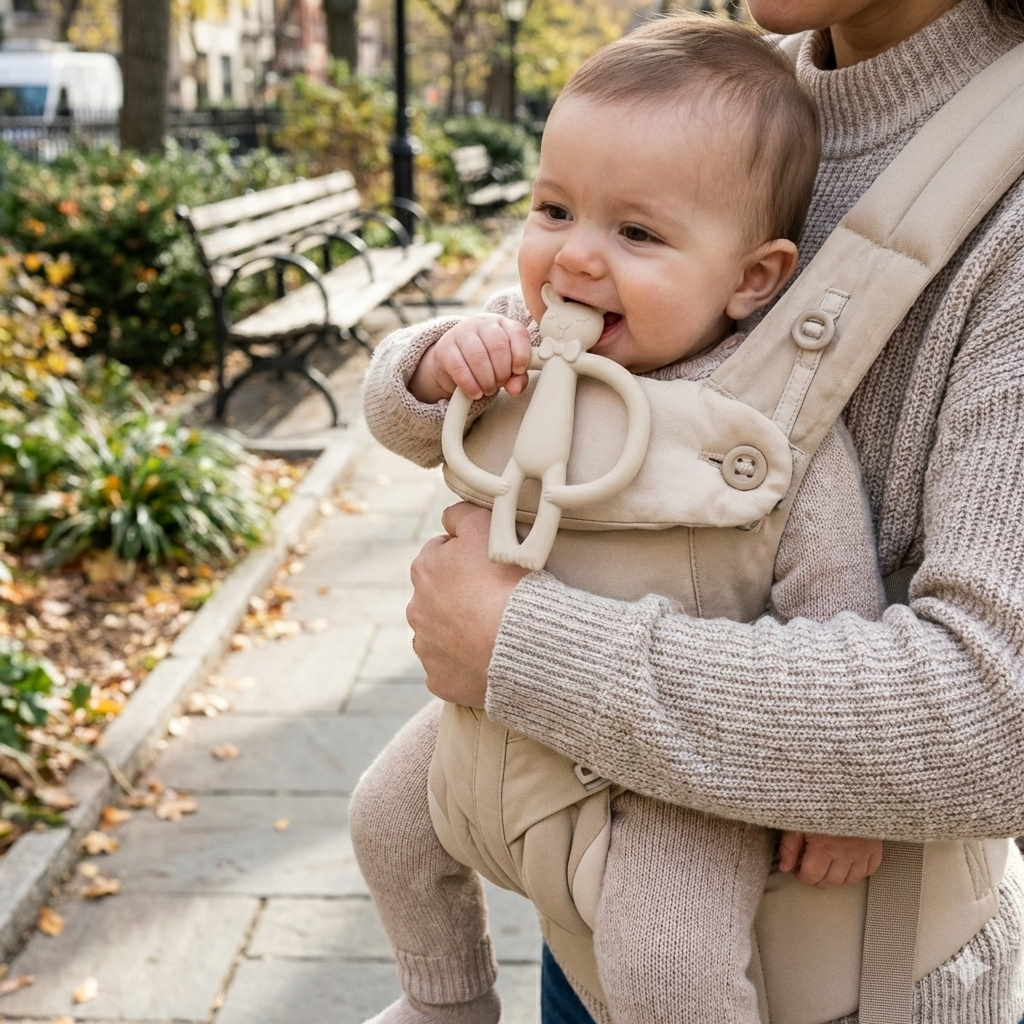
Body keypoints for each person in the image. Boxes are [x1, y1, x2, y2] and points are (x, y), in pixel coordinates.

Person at [400, 0, 1024, 1020]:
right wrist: (439, 369)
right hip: (582, 924)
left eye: (636, 232)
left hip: (840, 985)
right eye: (553, 212)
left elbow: (1001, 716)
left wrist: (515, 642)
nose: (581, 254)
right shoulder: (719, 96)